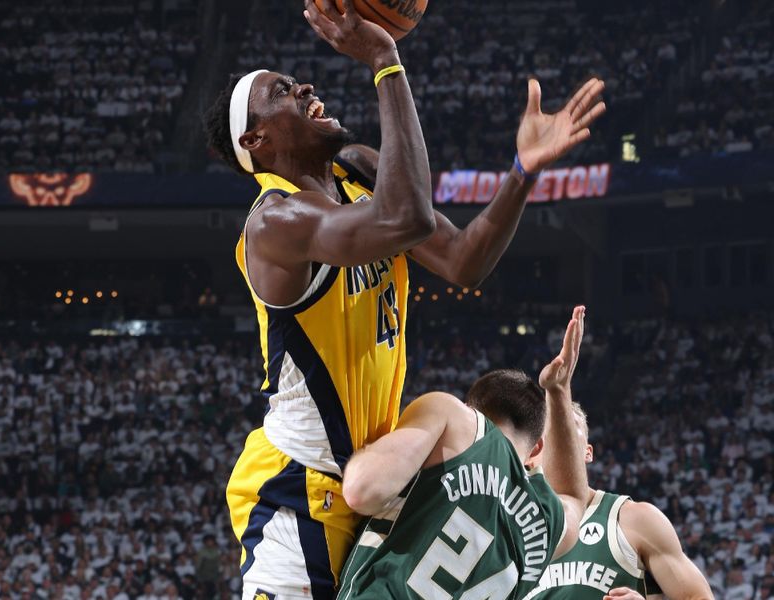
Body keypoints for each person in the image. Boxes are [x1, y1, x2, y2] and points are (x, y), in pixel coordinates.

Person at [202, 1, 606, 597]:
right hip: (300, 491)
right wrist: (385, 59)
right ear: (256, 138)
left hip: (378, 484)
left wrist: (522, 171)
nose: (305, 85)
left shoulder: (359, 172)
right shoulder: (275, 222)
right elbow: (408, 216)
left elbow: (464, 260)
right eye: (282, 90)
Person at [336, 307, 590, 598]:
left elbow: (361, 490)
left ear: (473, 410)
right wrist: (558, 390)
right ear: (538, 447)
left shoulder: (456, 420)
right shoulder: (546, 521)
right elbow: (574, 497)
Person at [522, 403, 714, 600]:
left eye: (568, 424)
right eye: (548, 426)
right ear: (530, 454)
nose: (559, 433)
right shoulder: (511, 537)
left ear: (588, 452)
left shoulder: (634, 519)